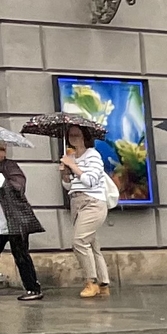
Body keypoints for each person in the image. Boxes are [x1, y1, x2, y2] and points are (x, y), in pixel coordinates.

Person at [59, 118, 116, 298]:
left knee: (79, 241)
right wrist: (65, 172)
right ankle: (103, 283)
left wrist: (73, 167)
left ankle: (90, 281)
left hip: (92, 203)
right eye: (70, 135)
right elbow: (69, 187)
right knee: (92, 245)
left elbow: (90, 181)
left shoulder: (93, 155)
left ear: (85, 137)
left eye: (77, 134)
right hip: (77, 202)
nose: (73, 137)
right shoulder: (71, 157)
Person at [0, 138, 43, 301]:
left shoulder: (10, 167)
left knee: (21, 255)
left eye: (2, 149)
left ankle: (33, 288)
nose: (2, 152)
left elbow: (18, 186)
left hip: (14, 221)